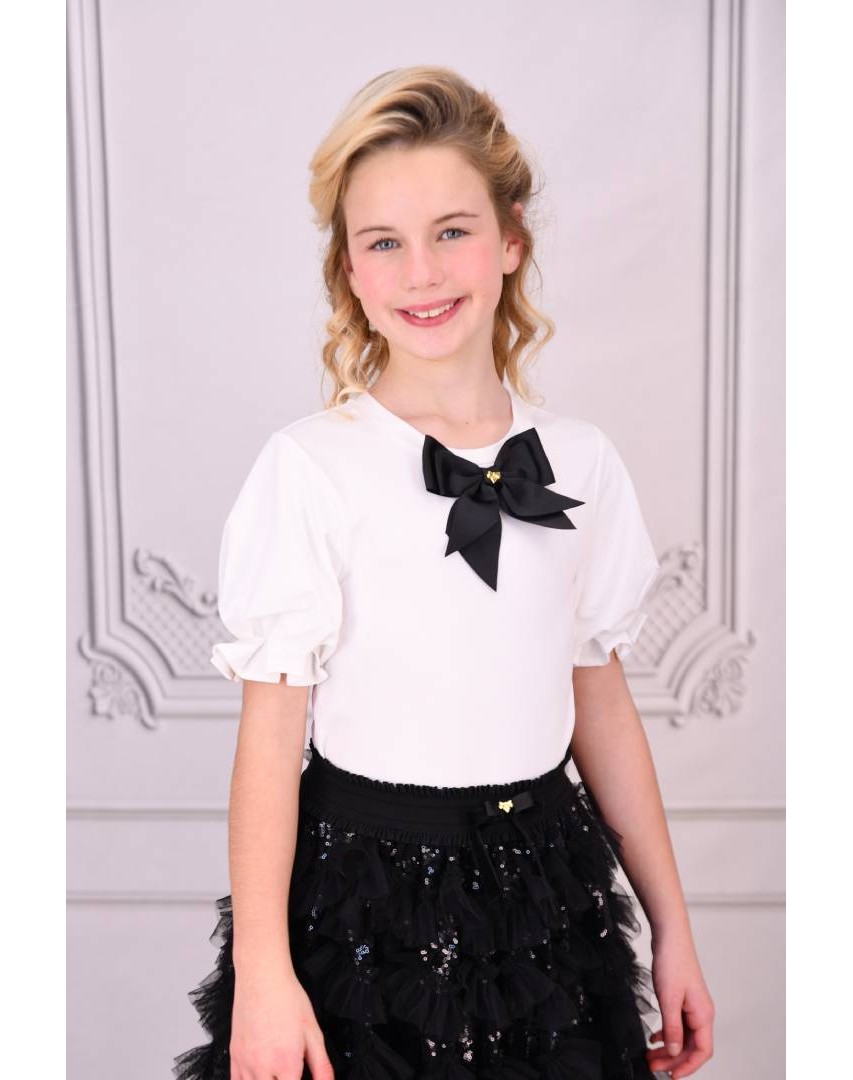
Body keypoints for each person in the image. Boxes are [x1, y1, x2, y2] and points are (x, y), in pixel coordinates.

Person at [172, 66, 714, 1080]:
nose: (420, 272)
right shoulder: (312, 466)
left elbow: (598, 701)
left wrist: (671, 926)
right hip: (362, 901)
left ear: (511, 241)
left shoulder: (582, 459)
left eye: (451, 231)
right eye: (384, 242)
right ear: (349, 270)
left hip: (550, 892)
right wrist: (263, 974)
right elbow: (270, 741)